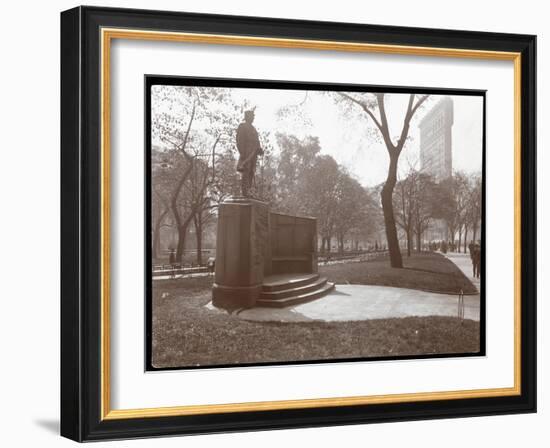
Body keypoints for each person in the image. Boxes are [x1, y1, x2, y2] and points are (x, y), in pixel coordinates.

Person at [236, 109, 263, 197]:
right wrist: (242, 152)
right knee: (246, 171)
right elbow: (239, 140)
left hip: (254, 153)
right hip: (246, 152)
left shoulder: (253, 129)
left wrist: (259, 149)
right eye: (252, 116)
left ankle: (249, 191)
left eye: (253, 116)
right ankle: (244, 192)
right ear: (247, 117)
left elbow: (257, 141)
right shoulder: (242, 126)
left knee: (251, 171)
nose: (253, 118)